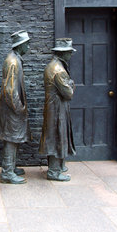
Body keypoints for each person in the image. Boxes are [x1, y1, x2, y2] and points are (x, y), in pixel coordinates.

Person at [0, 30, 32, 184]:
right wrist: (18, 108)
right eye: (27, 44)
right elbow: (10, 90)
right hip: (12, 109)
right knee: (11, 138)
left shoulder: (15, 59)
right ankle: (7, 172)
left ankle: (11, 167)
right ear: (20, 45)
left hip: (12, 108)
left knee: (14, 138)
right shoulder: (13, 62)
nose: (28, 47)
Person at [39, 38, 77, 181]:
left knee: (54, 136)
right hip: (57, 110)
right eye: (69, 52)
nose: (70, 55)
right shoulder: (59, 70)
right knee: (56, 137)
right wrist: (72, 84)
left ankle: (57, 166)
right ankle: (54, 171)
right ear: (63, 53)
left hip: (54, 108)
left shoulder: (52, 65)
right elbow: (68, 93)